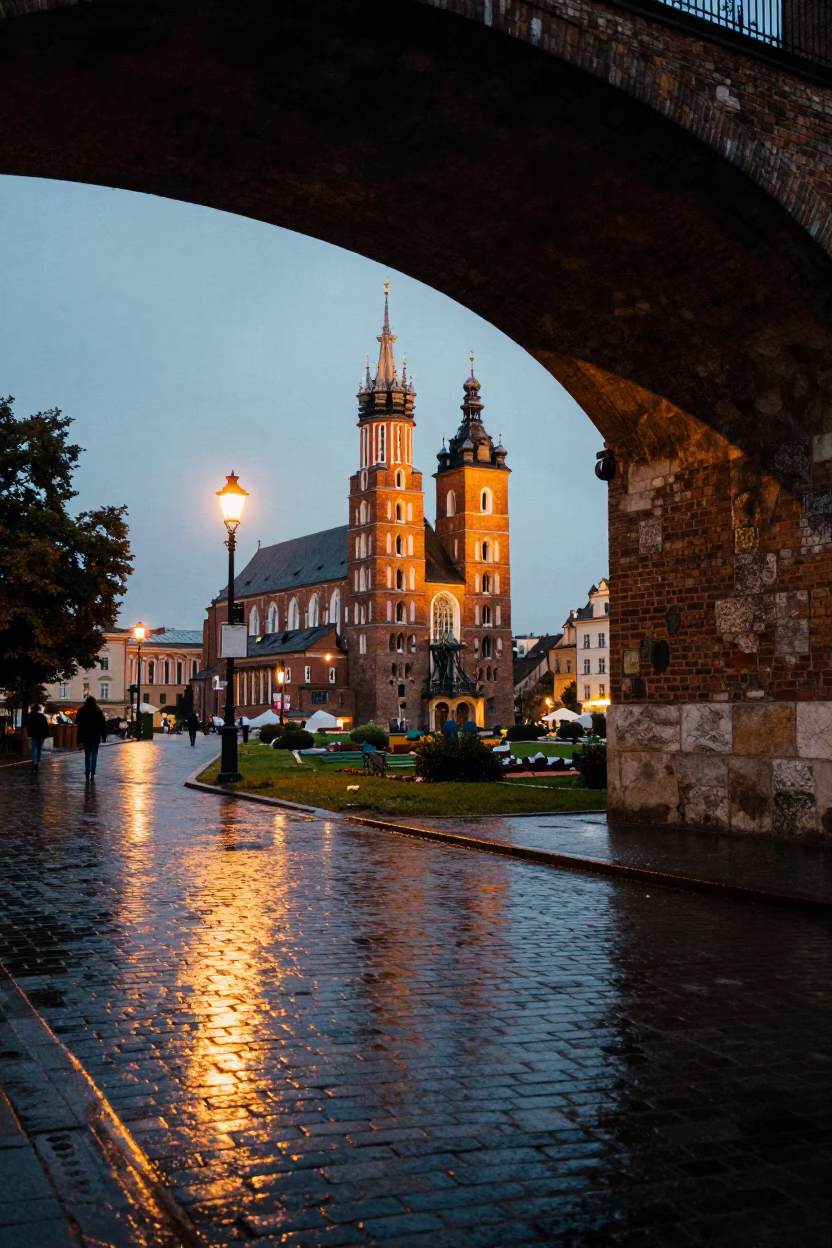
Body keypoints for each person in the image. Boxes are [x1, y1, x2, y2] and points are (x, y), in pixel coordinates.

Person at [76, 695, 106, 781]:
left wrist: (79, 736)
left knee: (87, 754)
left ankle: (87, 771)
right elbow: (103, 724)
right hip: (95, 736)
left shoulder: (82, 710)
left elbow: (77, 722)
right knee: (95, 754)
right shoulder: (98, 710)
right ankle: (93, 772)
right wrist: (103, 736)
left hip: (85, 735)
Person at [24, 703, 50, 774]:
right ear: (39, 709)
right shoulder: (41, 716)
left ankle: (35, 761)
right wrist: (47, 734)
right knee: (39, 747)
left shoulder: (29, 716)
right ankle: (37, 759)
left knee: (34, 747)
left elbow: (25, 724)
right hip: (41, 734)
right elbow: (45, 726)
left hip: (33, 733)